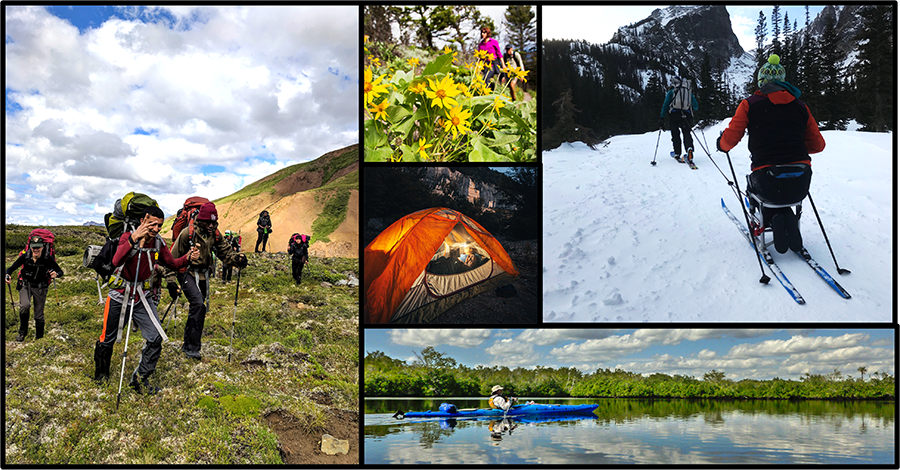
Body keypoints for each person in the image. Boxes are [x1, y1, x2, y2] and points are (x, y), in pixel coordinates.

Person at [716, 54, 825, 253]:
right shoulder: (801, 107)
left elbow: (730, 139)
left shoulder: (750, 104)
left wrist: (721, 145)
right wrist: (794, 145)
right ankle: (785, 218)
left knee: (755, 188)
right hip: (801, 181)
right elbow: (818, 145)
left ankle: (769, 219)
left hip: (767, 178)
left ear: (761, 81)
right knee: (783, 187)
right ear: (783, 81)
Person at [92, 206, 197, 392]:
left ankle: (140, 379)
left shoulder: (158, 243)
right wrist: (133, 240)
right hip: (119, 295)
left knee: (156, 338)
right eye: (152, 224)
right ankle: (101, 377)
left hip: (141, 296)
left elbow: (171, 264)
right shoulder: (127, 237)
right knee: (107, 339)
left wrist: (187, 257)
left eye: (159, 225)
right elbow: (115, 261)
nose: (156, 229)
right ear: (142, 221)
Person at [168, 202, 248, 360]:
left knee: (199, 309)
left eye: (214, 222)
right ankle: (191, 350)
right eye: (208, 222)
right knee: (198, 304)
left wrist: (237, 259)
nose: (211, 225)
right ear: (200, 220)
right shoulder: (187, 233)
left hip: (204, 275)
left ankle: (190, 344)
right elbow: (171, 259)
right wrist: (171, 281)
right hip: (187, 273)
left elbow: (226, 253)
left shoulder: (215, 235)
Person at [6, 235, 64, 342]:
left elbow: (60, 271)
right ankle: (22, 332)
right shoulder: (25, 256)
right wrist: (7, 275)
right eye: (33, 247)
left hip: (41, 287)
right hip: (25, 285)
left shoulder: (47, 258)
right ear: (30, 247)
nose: (35, 249)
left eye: (38, 247)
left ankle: (39, 337)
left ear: (42, 247)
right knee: (24, 306)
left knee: (39, 314)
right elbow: (11, 268)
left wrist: (57, 274)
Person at [659, 76, 699, 164]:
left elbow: (665, 105)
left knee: (675, 134)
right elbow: (695, 106)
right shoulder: (688, 92)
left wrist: (661, 117)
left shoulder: (671, 92)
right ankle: (689, 149)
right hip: (686, 115)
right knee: (686, 133)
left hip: (674, 115)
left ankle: (677, 153)